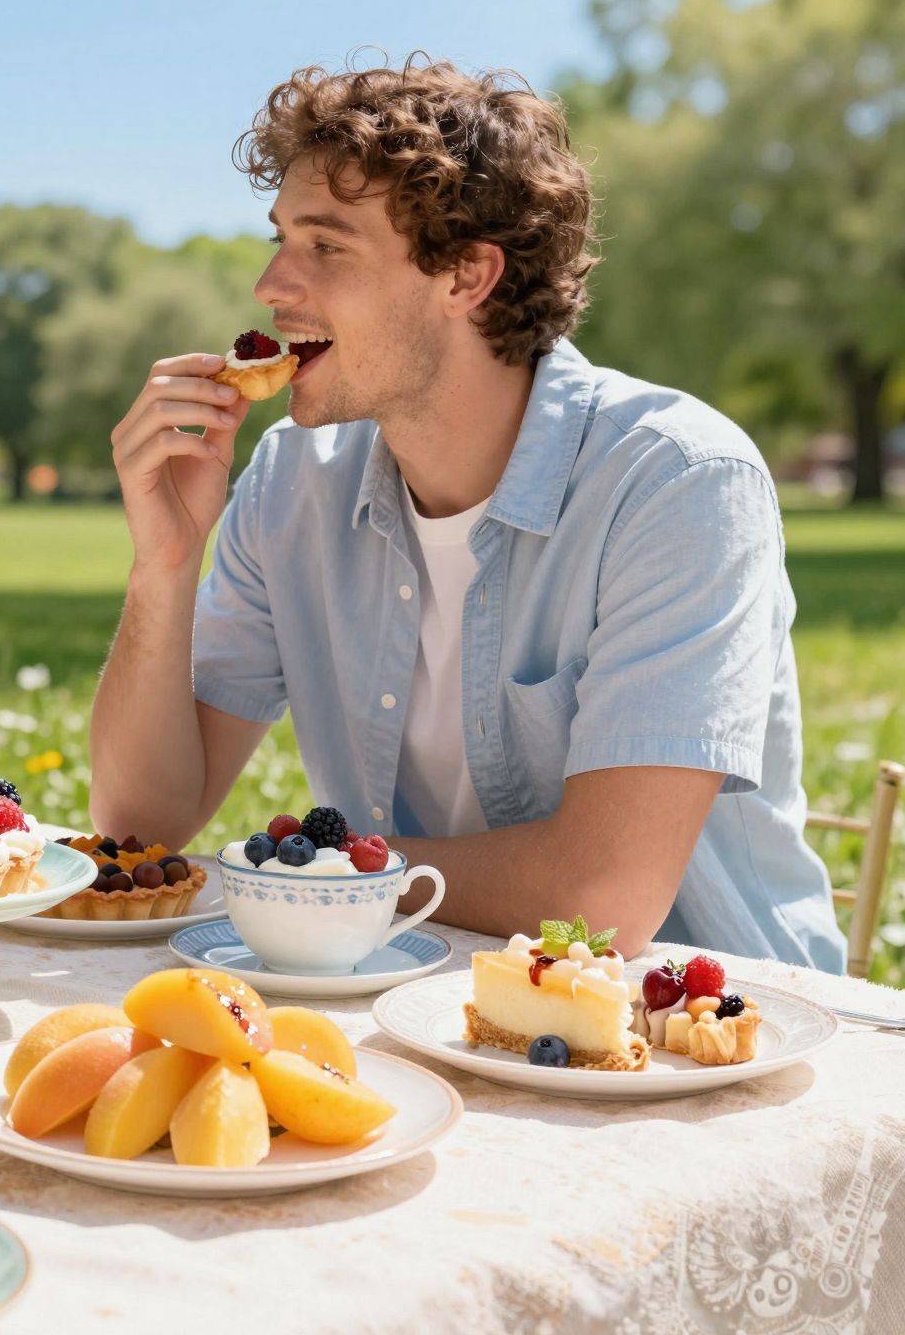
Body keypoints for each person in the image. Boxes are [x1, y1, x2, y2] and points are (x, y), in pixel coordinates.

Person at [89, 58, 845, 970]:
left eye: (325, 246)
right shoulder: (293, 481)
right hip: (411, 997)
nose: (271, 285)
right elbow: (141, 824)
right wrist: (164, 562)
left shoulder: (677, 481)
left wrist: (300, 876)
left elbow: (601, 903)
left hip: (697, 1044)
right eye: (281, 238)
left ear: (467, 277)